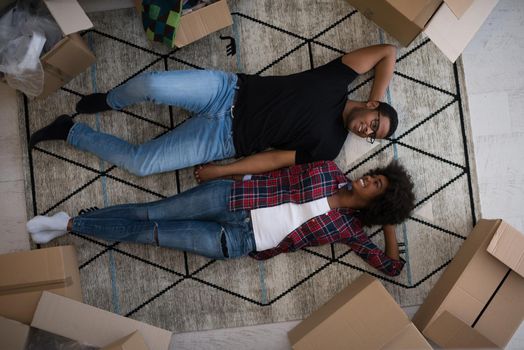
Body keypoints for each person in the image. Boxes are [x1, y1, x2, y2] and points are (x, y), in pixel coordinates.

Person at [29, 44, 398, 179]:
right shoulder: (339, 80)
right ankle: (112, 101)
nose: (367, 130)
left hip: (223, 140)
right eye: (375, 123)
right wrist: (376, 98)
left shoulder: (330, 147)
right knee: (154, 85)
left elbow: (272, 161)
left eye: (372, 135)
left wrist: (224, 170)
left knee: (141, 165)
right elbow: (387, 52)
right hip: (228, 91)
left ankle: (70, 131)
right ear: (371, 106)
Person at [26, 160, 415, 277]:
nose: (367, 179)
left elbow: (392, 266)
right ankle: (69, 224)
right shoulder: (330, 170)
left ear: (376, 204)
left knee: (153, 234)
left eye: (376, 186)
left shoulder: (349, 230)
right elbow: (280, 162)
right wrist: (226, 172)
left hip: (239, 242)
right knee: (152, 212)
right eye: (375, 176)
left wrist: (389, 222)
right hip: (232, 197)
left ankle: (71, 225)